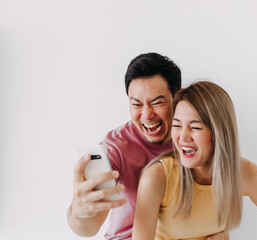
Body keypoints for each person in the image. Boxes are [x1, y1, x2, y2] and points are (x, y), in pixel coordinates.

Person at [67, 53, 229, 240]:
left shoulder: (199, 140)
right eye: (136, 104)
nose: (146, 115)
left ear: (178, 96)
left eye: (157, 103)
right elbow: (89, 226)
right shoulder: (116, 148)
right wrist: (78, 212)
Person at [132, 81, 257, 240]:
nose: (182, 137)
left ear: (219, 133)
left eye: (195, 127)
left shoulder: (245, 173)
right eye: (177, 125)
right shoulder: (157, 177)